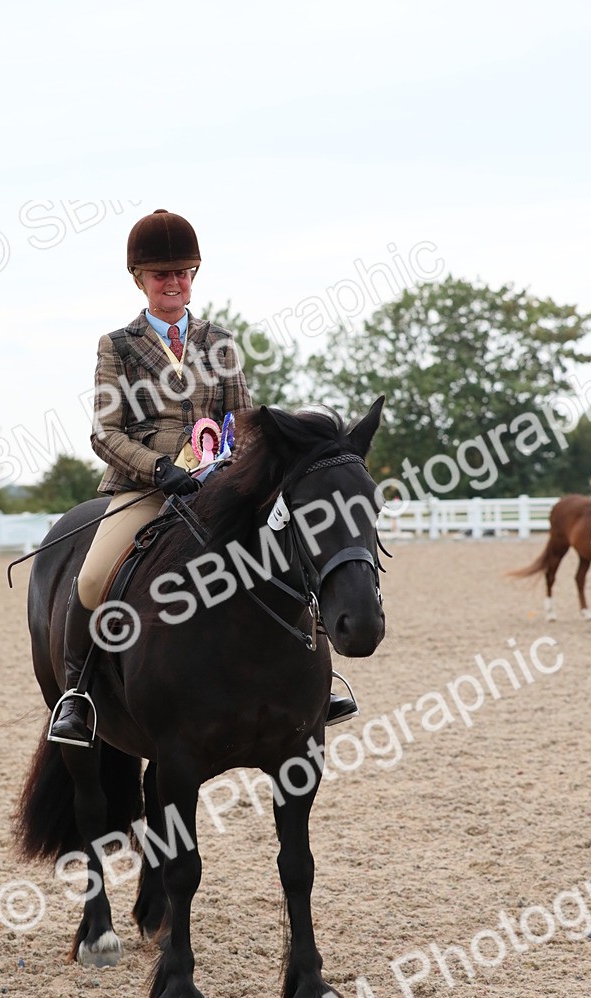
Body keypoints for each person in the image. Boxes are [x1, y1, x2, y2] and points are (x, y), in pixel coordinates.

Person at [49, 209, 359, 746]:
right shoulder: (117, 346)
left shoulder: (220, 340)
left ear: (194, 276)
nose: (173, 283)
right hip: (147, 488)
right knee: (93, 579)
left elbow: (244, 415)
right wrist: (159, 470)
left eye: (182, 273)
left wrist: (257, 456)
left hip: (219, 483)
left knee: (293, 553)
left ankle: (318, 682)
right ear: (140, 280)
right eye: (161, 275)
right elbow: (105, 433)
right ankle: (77, 696)